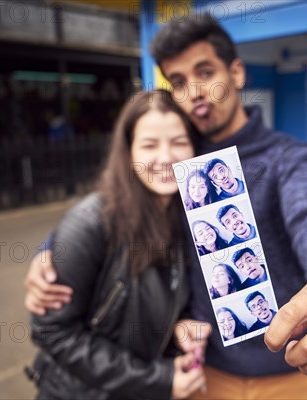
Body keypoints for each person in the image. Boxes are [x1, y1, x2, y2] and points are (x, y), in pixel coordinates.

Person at [24, 13, 307, 399]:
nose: (194, 90)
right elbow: (123, 208)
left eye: (205, 72)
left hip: (289, 374)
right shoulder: (179, 163)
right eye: (178, 82)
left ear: (237, 74)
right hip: (202, 374)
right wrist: (52, 254)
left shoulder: (287, 160)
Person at [25, 91, 210, 400]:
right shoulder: (90, 224)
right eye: (150, 145)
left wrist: (183, 326)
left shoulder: (189, 216)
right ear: (128, 153)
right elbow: (51, 330)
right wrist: (159, 381)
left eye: (179, 142)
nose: (166, 158)